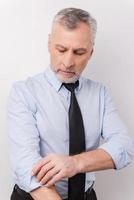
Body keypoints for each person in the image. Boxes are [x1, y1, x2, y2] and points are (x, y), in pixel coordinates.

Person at [8, 7, 134, 200]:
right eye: (61, 49)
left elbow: (125, 147)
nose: (68, 62)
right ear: (49, 44)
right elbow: (26, 165)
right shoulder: (24, 92)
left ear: (91, 52)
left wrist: (75, 163)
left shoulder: (100, 94)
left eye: (79, 52)